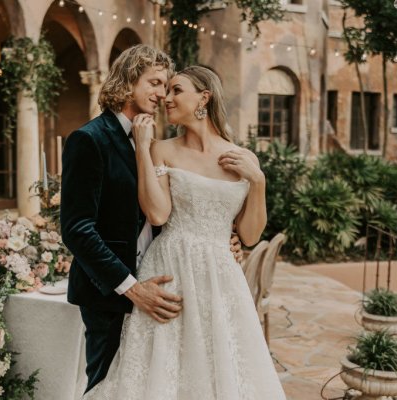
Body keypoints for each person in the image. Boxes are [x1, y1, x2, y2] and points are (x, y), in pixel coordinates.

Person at [80, 66, 287, 399]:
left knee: (220, 365)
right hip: (171, 268)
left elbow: (248, 235)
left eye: (177, 90)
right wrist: (143, 150)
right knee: (167, 368)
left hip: (221, 277)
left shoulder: (243, 157)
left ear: (203, 97)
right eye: (166, 90)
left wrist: (258, 181)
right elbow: (158, 212)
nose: (167, 98)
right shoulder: (162, 149)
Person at [60, 46, 244, 394]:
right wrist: (132, 288)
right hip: (111, 295)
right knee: (109, 386)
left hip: (160, 281)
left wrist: (226, 236)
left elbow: (166, 208)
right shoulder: (89, 140)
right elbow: (77, 229)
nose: (162, 94)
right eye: (155, 83)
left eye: (167, 86)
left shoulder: (150, 142)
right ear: (129, 81)